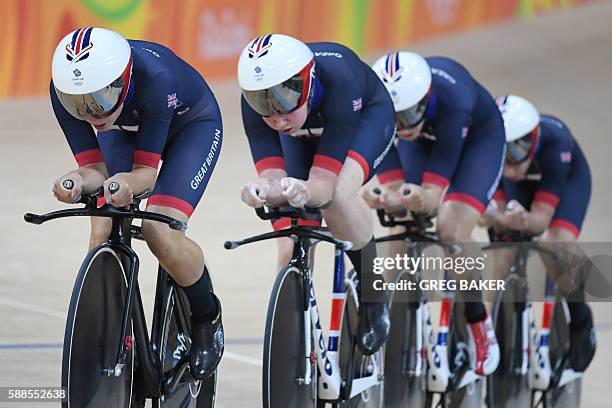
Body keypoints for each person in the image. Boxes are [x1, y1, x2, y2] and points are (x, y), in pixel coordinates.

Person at [50, 27, 223, 379]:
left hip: (191, 126)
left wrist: (123, 181)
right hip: (125, 129)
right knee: (102, 223)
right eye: (78, 103)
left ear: (123, 81)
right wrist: (73, 181)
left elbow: (145, 175)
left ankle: (207, 318)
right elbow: (94, 170)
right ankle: (106, 327)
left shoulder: (156, 78)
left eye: (98, 98)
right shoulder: (66, 91)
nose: (90, 113)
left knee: (160, 231)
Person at [237, 34, 396, 355]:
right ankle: (295, 343)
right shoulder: (258, 103)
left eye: (282, 100)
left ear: (307, 84)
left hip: (364, 121)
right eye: (263, 105)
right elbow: (273, 177)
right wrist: (262, 191)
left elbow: (320, 187)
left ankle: (372, 289)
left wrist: (304, 189)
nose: (276, 117)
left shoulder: (342, 82)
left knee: (334, 198)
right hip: (304, 131)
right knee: (289, 243)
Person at [367, 51, 502, 376]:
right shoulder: (380, 108)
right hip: (425, 138)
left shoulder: (453, 102)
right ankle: (381, 319)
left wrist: (416, 198)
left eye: (410, 113)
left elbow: (431, 197)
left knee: (450, 229)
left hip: (476, 142)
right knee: (398, 224)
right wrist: (387, 197)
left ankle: (477, 320)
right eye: (396, 117)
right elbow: (392, 179)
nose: (403, 124)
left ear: (426, 99)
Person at [484, 94, 596, 372]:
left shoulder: (556, 143)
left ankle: (580, 319)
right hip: (520, 189)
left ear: (532, 140)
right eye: (503, 153)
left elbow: (539, 222)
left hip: (566, 183)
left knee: (554, 245)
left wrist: (520, 220)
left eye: (516, 152)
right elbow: (494, 213)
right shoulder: (488, 145)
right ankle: (492, 327)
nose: (509, 165)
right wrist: (492, 216)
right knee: (501, 254)